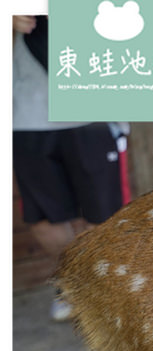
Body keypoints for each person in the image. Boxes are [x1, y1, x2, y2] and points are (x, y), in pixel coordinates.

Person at [13, 15, 128, 320]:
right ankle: (75, 281)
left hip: (95, 104)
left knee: (105, 215)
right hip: (27, 111)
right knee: (44, 220)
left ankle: (90, 286)